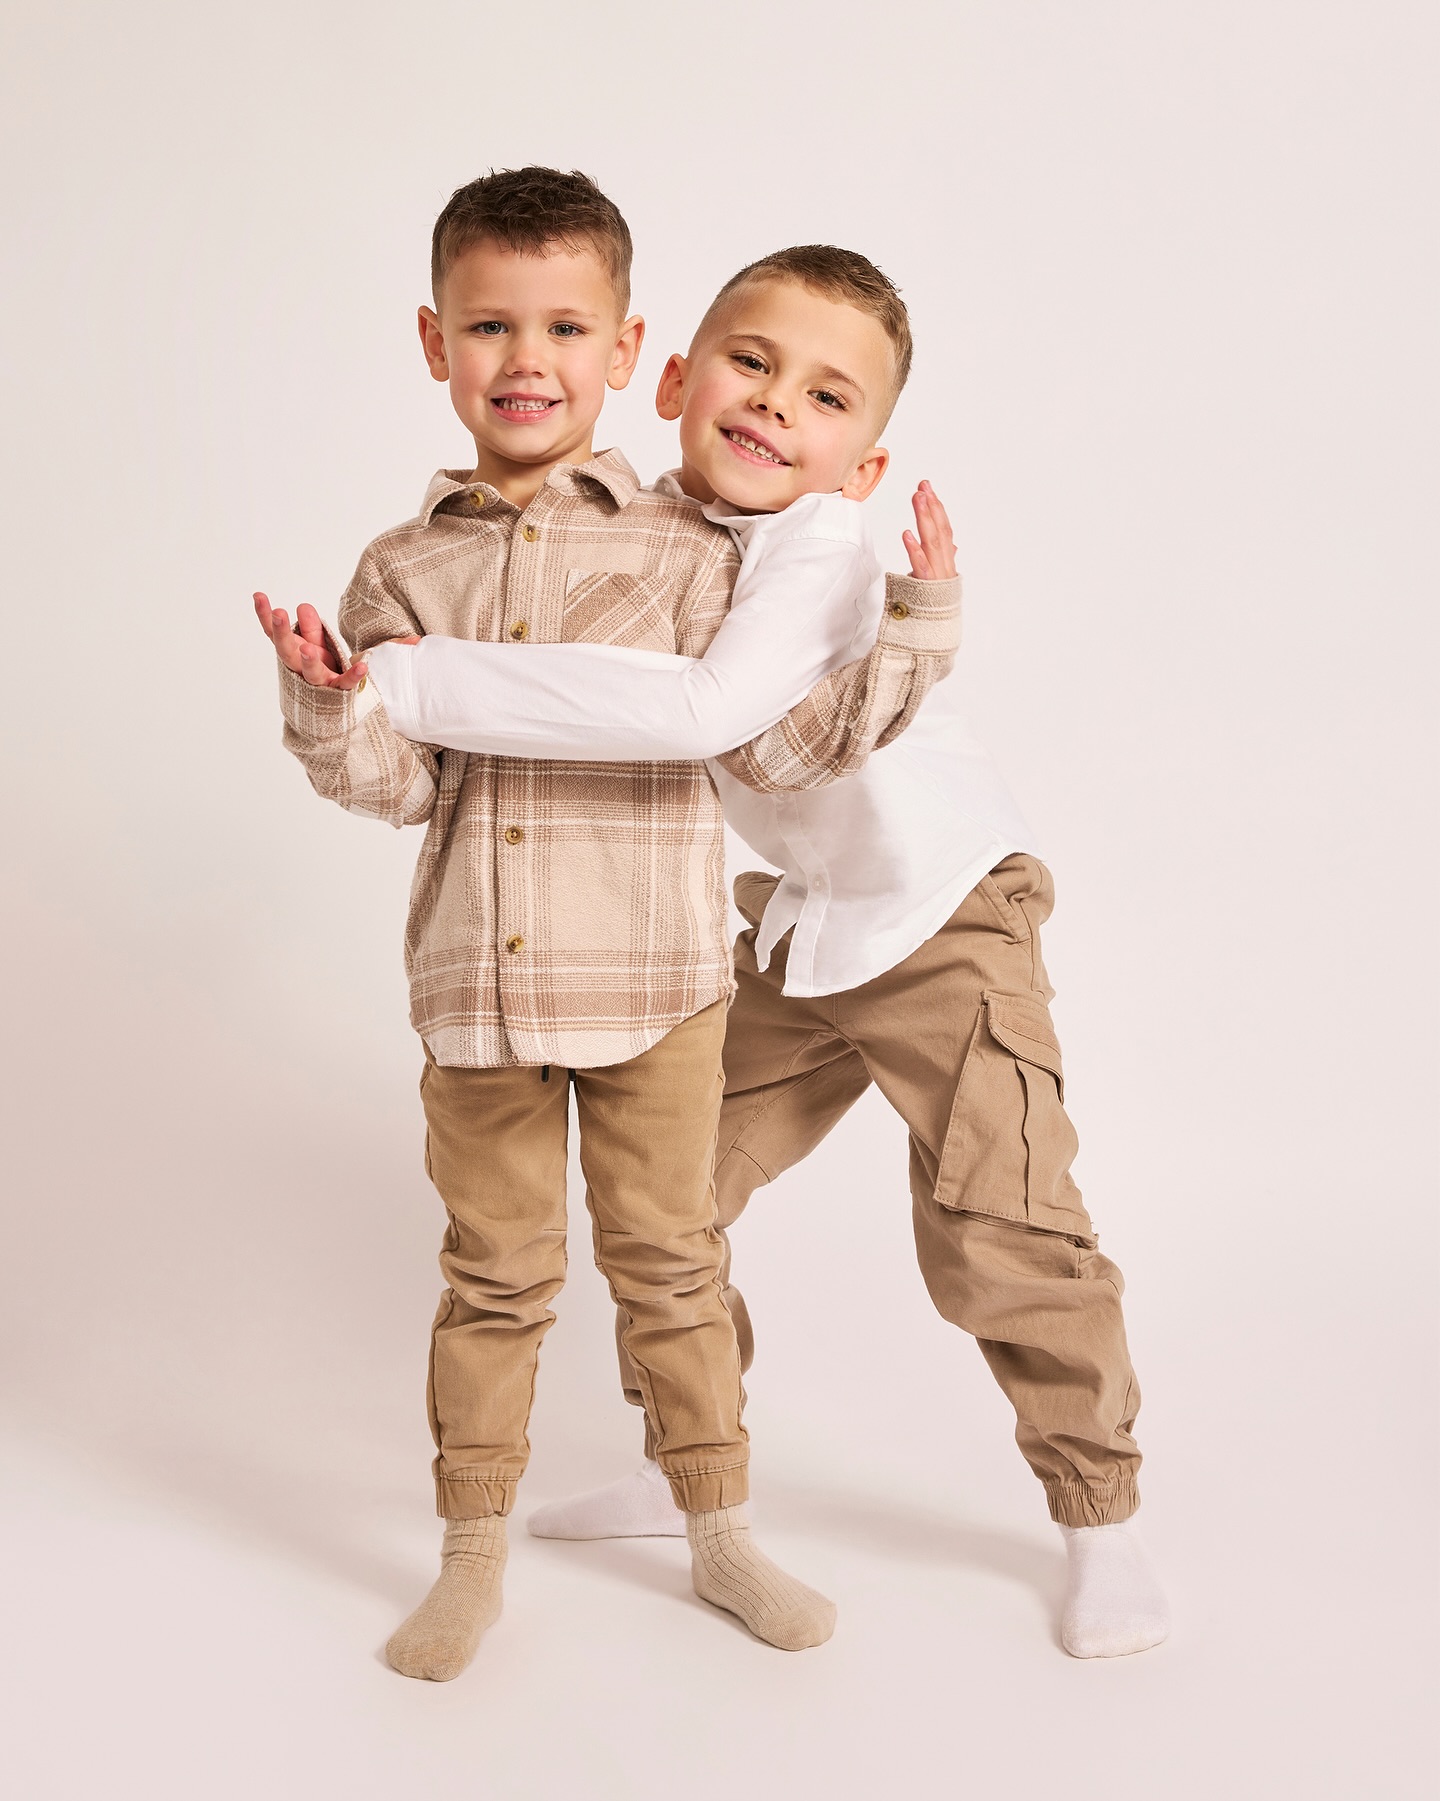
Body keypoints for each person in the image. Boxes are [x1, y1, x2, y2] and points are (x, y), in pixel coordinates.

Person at [366, 243, 1172, 1661]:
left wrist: (415, 678)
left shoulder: (811, 544)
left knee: (1001, 1222)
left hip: (942, 914)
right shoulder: (643, 530)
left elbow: (709, 712)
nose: (774, 406)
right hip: (799, 929)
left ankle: (1100, 1522)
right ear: (672, 376)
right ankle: (689, 1467)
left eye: (824, 396)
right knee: (665, 1209)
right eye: (750, 364)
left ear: (861, 468)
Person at [253, 171, 959, 1679]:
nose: (529, 357)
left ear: (632, 349)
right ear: (436, 340)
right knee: (495, 1279)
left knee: (674, 1263)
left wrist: (913, 629)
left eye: (565, 325)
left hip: (656, 989)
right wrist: (329, 703)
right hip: (478, 1002)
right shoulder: (399, 569)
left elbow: (774, 747)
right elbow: (393, 781)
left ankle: (718, 1531)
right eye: (493, 324)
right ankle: (469, 1556)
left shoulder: (695, 552)